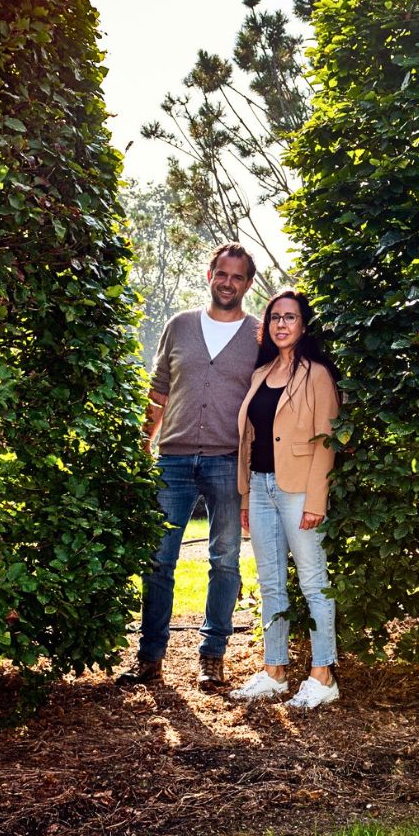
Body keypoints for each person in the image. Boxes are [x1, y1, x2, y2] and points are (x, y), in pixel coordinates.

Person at [119, 242, 259, 691]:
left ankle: (212, 656)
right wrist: (144, 442)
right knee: (159, 560)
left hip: (226, 460)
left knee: (225, 562)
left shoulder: (258, 335)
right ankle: (150, 657)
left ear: (248, 284)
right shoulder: (179, 326)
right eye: (222, 273)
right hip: (174, 459)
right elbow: (158, 389)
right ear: (209, 274)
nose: (228, 283)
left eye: (238, 277)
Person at [230, 290, 341, 709]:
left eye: (290, 318)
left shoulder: (316, 375)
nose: (281, 324)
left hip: (299, 491)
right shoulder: (262, 373)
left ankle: (323, 675)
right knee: (272, 583)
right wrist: (245, 495)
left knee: (313, 582)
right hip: (259, 488)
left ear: (303, 325)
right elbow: (249, 438)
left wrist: (317, 500)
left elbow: (325, 442)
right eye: (275, 317)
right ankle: (275, 671)